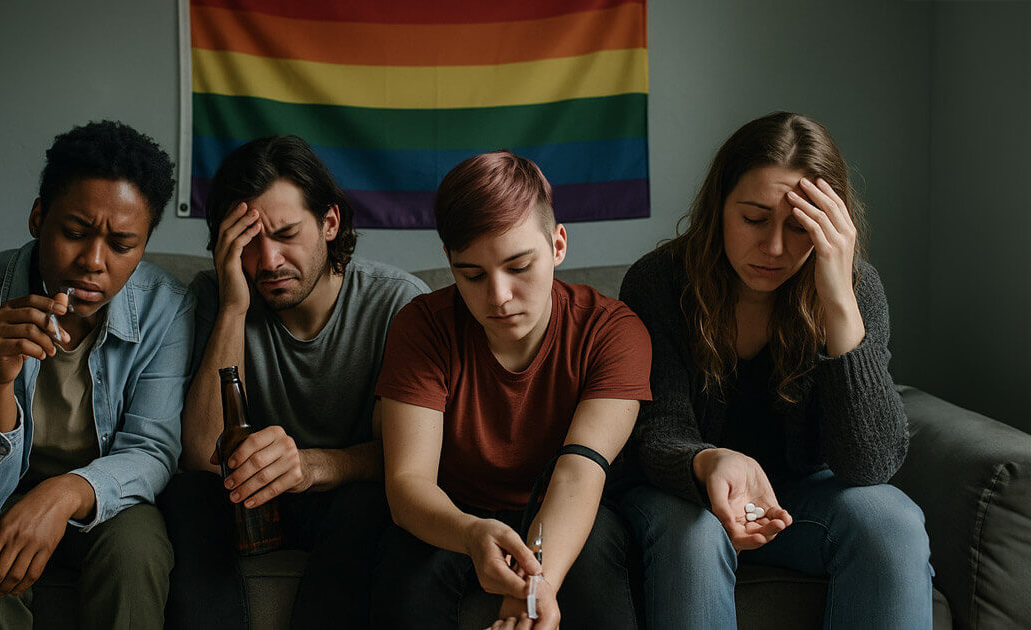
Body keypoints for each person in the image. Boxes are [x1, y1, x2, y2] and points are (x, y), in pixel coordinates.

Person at [616, 111, 933, 628]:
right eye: (754, 219)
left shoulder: (856, 290)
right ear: (719, 207)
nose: (775, 248)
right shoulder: (658, 283)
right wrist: (708, 461)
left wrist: (838, 301)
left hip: (798, 501)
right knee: (697, 534)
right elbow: (654, 430)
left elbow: (869, 465)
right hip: (682, 498)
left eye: (800, 226)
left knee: (892, 521)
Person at [0, 120, 192, 629]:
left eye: (122, 245)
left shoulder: (167, 307)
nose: (93, 262)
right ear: (37, 217)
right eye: (74, 233)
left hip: (105, 499)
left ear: (144, 245)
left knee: (136, 547)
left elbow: (152, 450)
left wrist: (63, 493)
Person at [372, 151, 651, 629]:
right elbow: (408, 484)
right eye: (472, 275)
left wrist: (536, 585)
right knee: (406, 577)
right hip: (453, 510)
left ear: (558, 245)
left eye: (519, 266)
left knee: (597, 562)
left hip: (564, 502)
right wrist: (471, 533)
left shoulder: (612, 331)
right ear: (450, 263)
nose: (498, 297)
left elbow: (578, 474)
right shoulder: (422, 327)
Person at [159, 135, 428, 629]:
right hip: (246, 504)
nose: (269, 261)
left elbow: (410, 459)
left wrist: (311, 466)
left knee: (370, 504)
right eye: (248, 242)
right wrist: (234, 308)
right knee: (188, 496)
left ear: (330, 222)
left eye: (286, 234)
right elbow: (200, 456)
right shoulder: (216, 297)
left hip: (347, 503)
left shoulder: (398, 305)